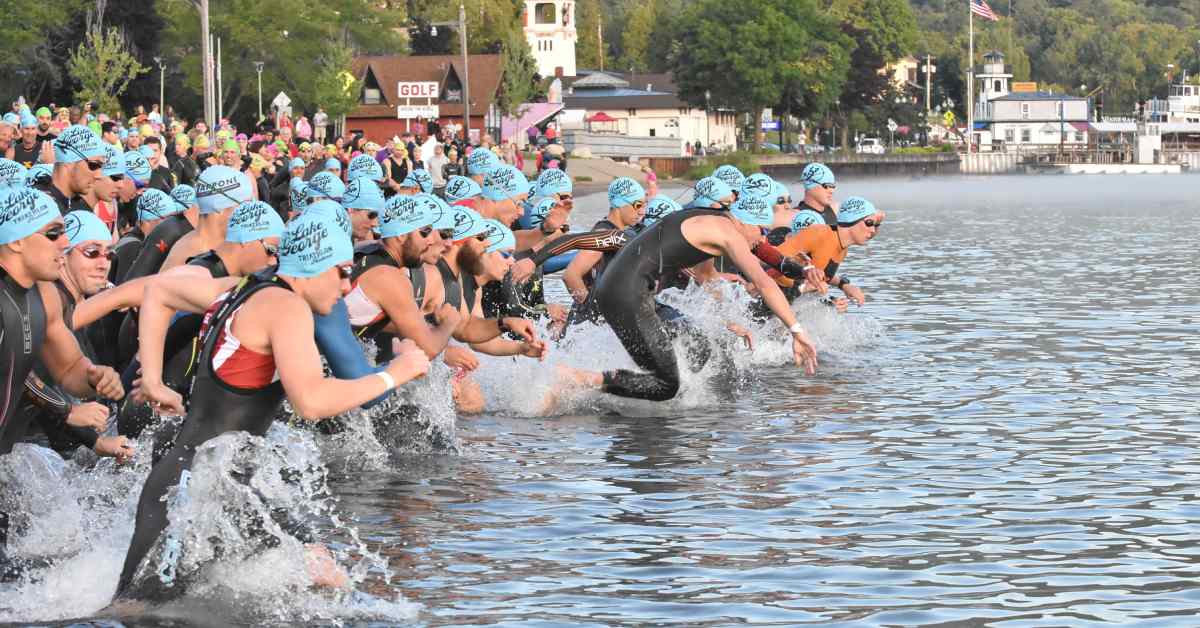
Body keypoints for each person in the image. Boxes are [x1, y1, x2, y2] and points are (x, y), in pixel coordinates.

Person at [117, 208, 431, 601]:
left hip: (217, 480)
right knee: (136, 610)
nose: (348, 287)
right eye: (342, 271)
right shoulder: (286, 308)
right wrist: (396, 372)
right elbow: (312, 402)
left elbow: (158, 292)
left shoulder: (244, 287)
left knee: (323, 575)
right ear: (314, 264)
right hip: (196, 491)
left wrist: (152, 378)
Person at [570, 194, 818, 402]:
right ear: (745, 221)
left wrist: (728, 322)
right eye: (762, 230)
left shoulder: (708, 222)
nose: (762, 239)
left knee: (698, 344)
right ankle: (581, 380)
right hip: (627, 294)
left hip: (624, 291)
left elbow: (706, 279)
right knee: (665, 387)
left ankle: (607, 388)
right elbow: (765, 283)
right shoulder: (729, 234)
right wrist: (797, 331)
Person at [0, 188, 125, 578]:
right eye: (53, 233)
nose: (64, 242)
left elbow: (68, 365)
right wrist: (68, 410)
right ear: (17, 240)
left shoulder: (44, 295)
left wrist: (94, 376)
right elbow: (17, 376)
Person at [562, 177, 646, 324]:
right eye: (638, 205)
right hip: (584, 328)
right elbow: (571, 275)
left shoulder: (614, 232)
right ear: (620, 203)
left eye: (645, 205)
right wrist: (591, 311)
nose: (642, 212)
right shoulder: (604, 234)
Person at [771, 196, 881, 307]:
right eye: (869, 222)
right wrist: (802, 288)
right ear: (852, 218)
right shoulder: (819, 233)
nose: (872, 230)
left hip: (784, 307)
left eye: (876, 225)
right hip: (765, 301)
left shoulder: (841, 247)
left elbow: (819, 276)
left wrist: (841, 289)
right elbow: (772, 261)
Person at [155, 165, 254, 274]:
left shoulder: (212, 246)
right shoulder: (196, 258)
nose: (249, 216)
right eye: (245, 207)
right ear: (219, 207)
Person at [48, 125, 108, 214]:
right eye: (94, 165)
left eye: (101, 167)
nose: (99, 175)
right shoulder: (44, 210)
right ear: (68, 161)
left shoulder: (77, 207)